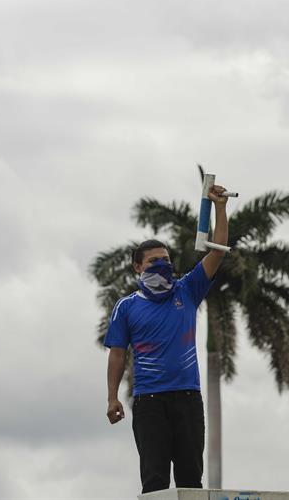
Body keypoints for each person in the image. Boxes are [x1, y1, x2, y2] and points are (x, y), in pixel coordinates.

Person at [104, 185, 230, 494]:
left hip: (187, 397)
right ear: (137, 267)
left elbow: (218, 251)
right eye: (153, 261)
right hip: (149, 401)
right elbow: (117, 355)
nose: (162, 264)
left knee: (190, 481)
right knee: (155, 482)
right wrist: (111, 397)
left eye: (166, 259)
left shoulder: (187, 290)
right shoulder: (127, 306)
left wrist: (220, 208)